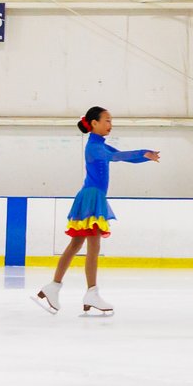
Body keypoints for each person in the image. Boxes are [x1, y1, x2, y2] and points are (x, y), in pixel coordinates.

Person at [39, 105, 157, 317]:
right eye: (107, 120)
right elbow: (117, 157)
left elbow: (121, 155)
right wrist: (142, 153)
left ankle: (54, 287)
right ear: (94, 123)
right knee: (92, 244)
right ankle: (89, 292)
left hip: (92, 196)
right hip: (91, 196)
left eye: (111, 121)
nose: (110, 125)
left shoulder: (100, 145)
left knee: (77, 244)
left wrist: (145, 155)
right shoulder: (94, 147)